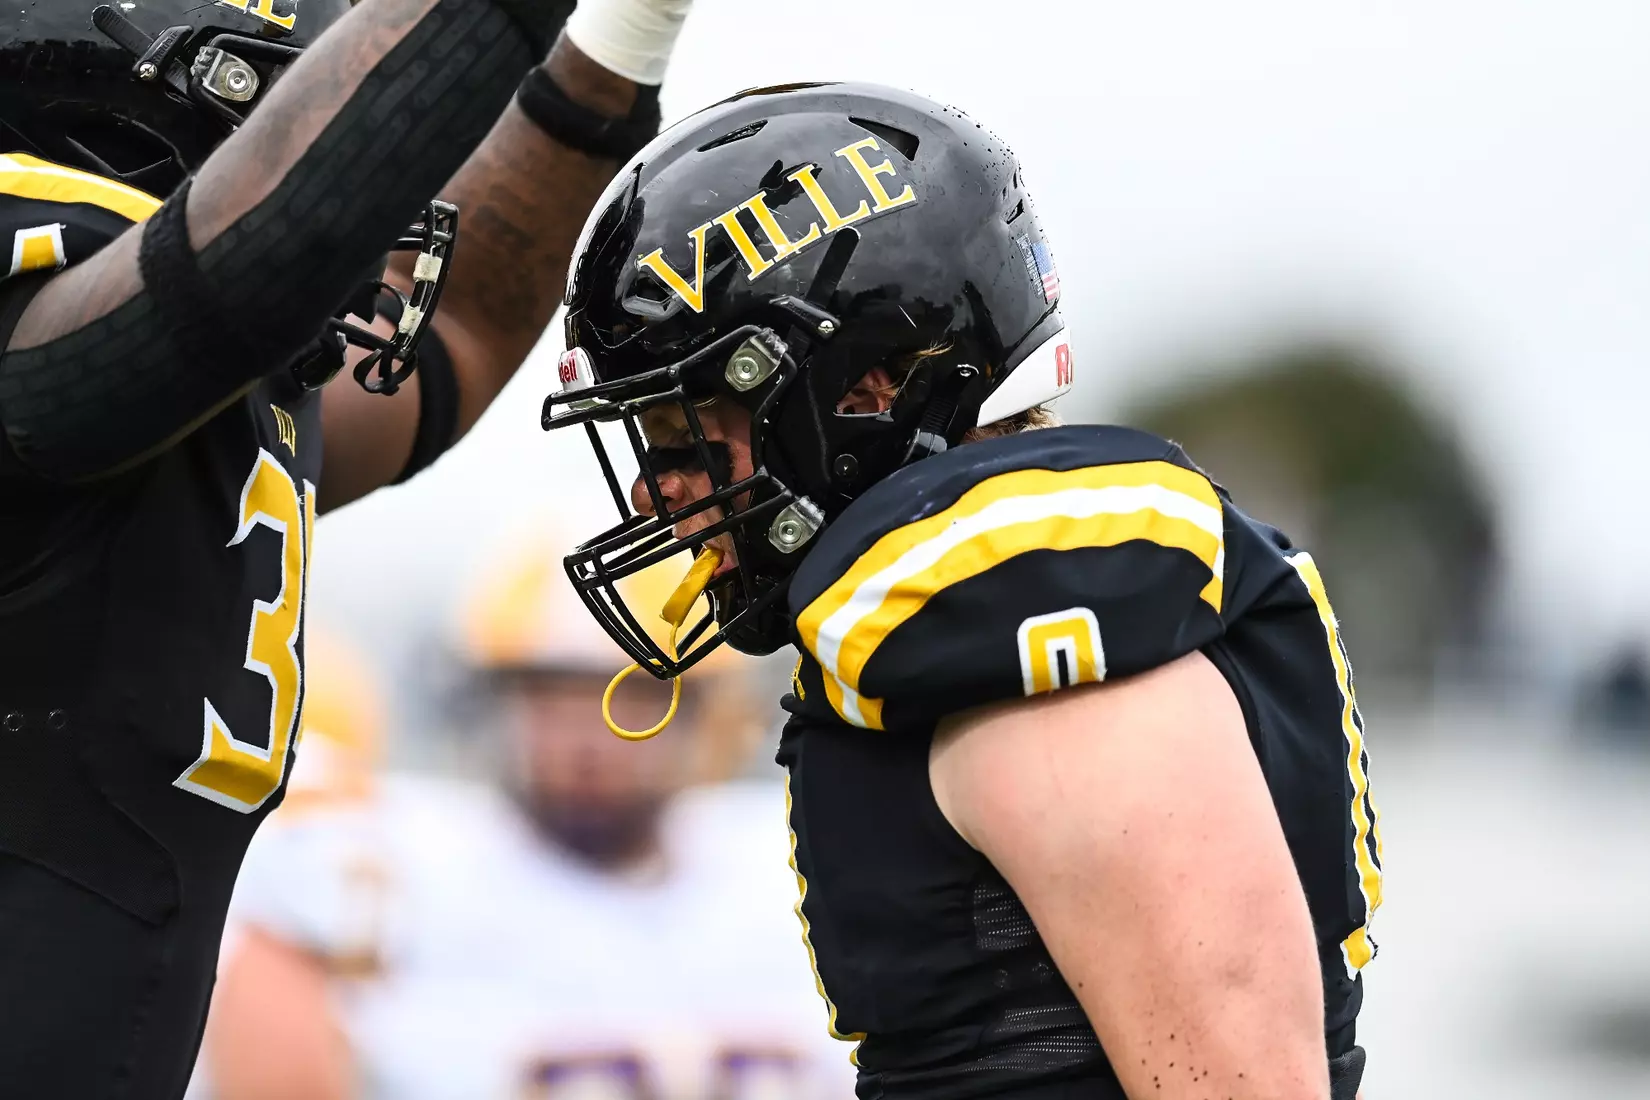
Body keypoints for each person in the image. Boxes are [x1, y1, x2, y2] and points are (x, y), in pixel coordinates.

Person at [540, 84, 1383, 1100]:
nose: (654, 491)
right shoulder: (959, 645)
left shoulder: (1041, 639)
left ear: (860, 391)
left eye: (683, 438)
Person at [0, 0, 695, 1093]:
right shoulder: (86, 340)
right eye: (296, 95)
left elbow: (458, 325)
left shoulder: (197, 403)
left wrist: (620, 34)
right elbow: (246, 268)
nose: (385, 167)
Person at [202, 535, 857, 1100]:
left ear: (705, 717)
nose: (585, 737)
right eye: (549, 699)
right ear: (494, 707)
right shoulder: (382, 865)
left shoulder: (802, 863)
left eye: (630, 696)